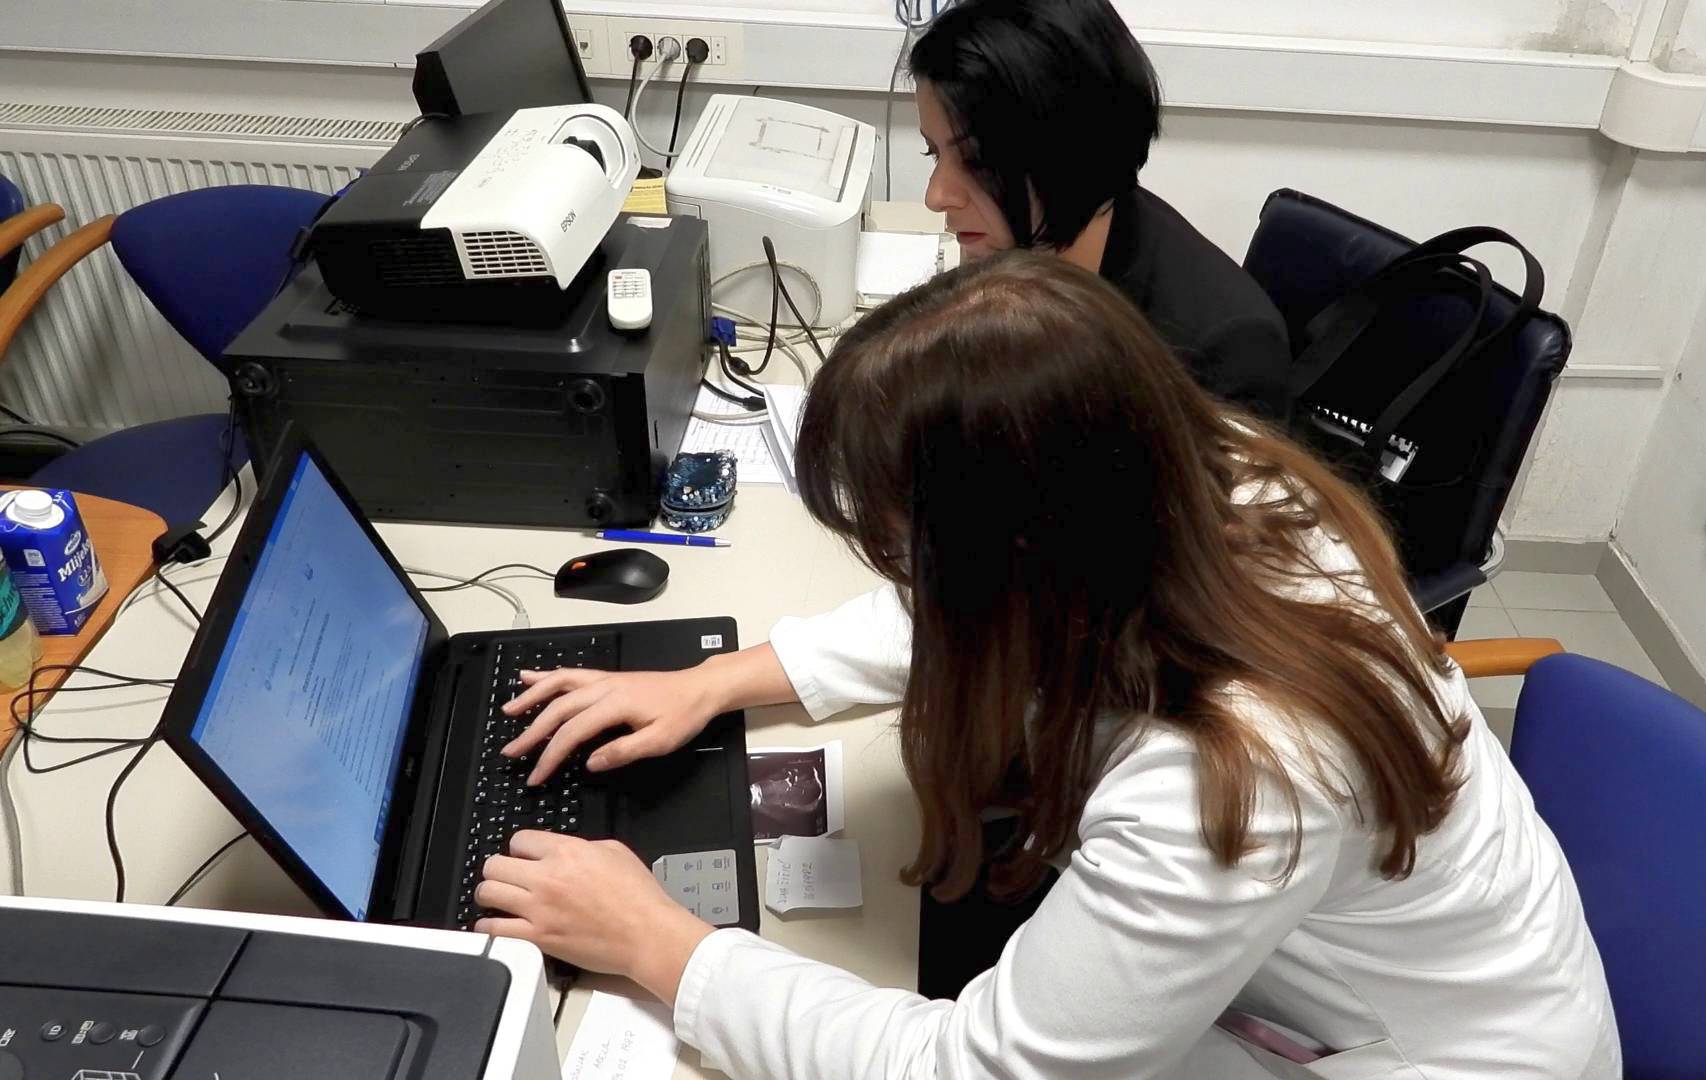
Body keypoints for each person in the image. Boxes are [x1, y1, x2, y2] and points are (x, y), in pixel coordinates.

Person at [477, 253, 1620, 1079]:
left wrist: (667, 948)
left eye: (907, 547)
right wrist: (721, 679)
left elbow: (982, 1071)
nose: (906, 579)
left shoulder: (1228, 783)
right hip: (1323, 971)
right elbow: (972, 605)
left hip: (1427, 1055)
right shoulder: (1202, 476)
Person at [911, 0, 1293, 419]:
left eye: (978, 161)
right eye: (934, 152)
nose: (936, 196)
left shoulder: (1221, 353)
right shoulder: (1013, 258)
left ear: (1072, 157)